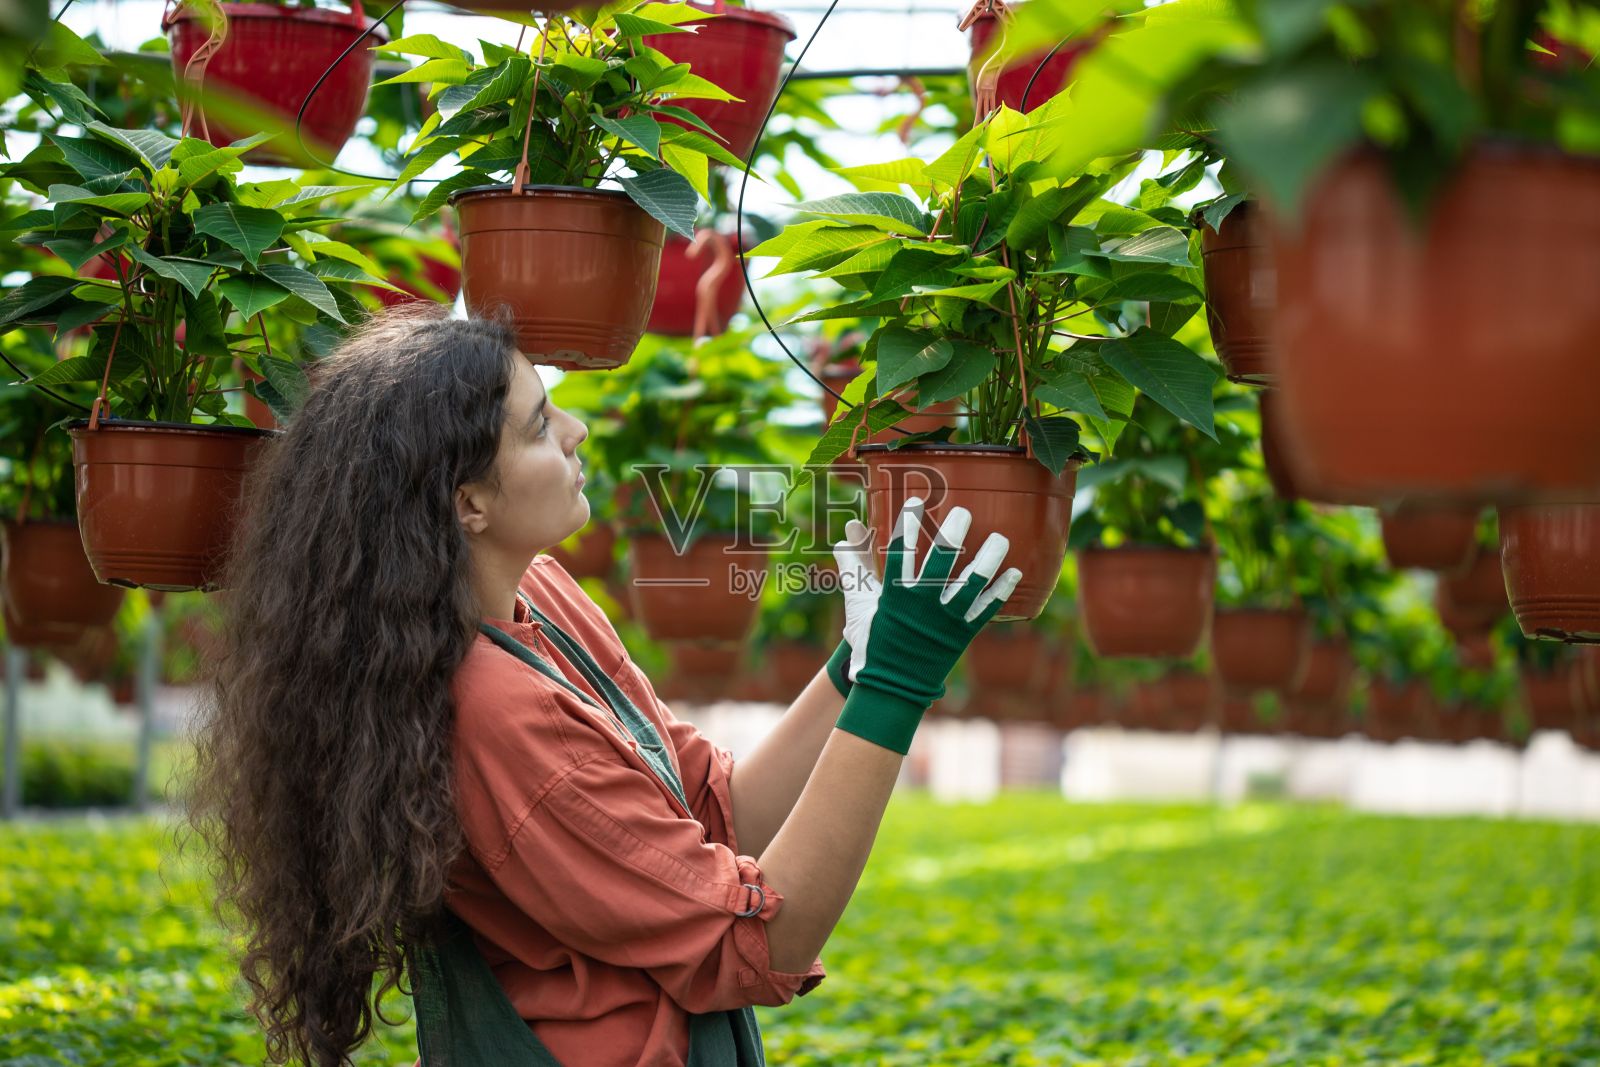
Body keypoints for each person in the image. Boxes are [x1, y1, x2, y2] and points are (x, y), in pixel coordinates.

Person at [186, 305, 1022, 1067]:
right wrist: (898, 684)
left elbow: (708, 807)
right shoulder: (495, 714)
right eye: (540, 425)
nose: (578, 430)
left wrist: (855, 666)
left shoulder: (539, 597)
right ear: (469, 500)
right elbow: (757, 938)